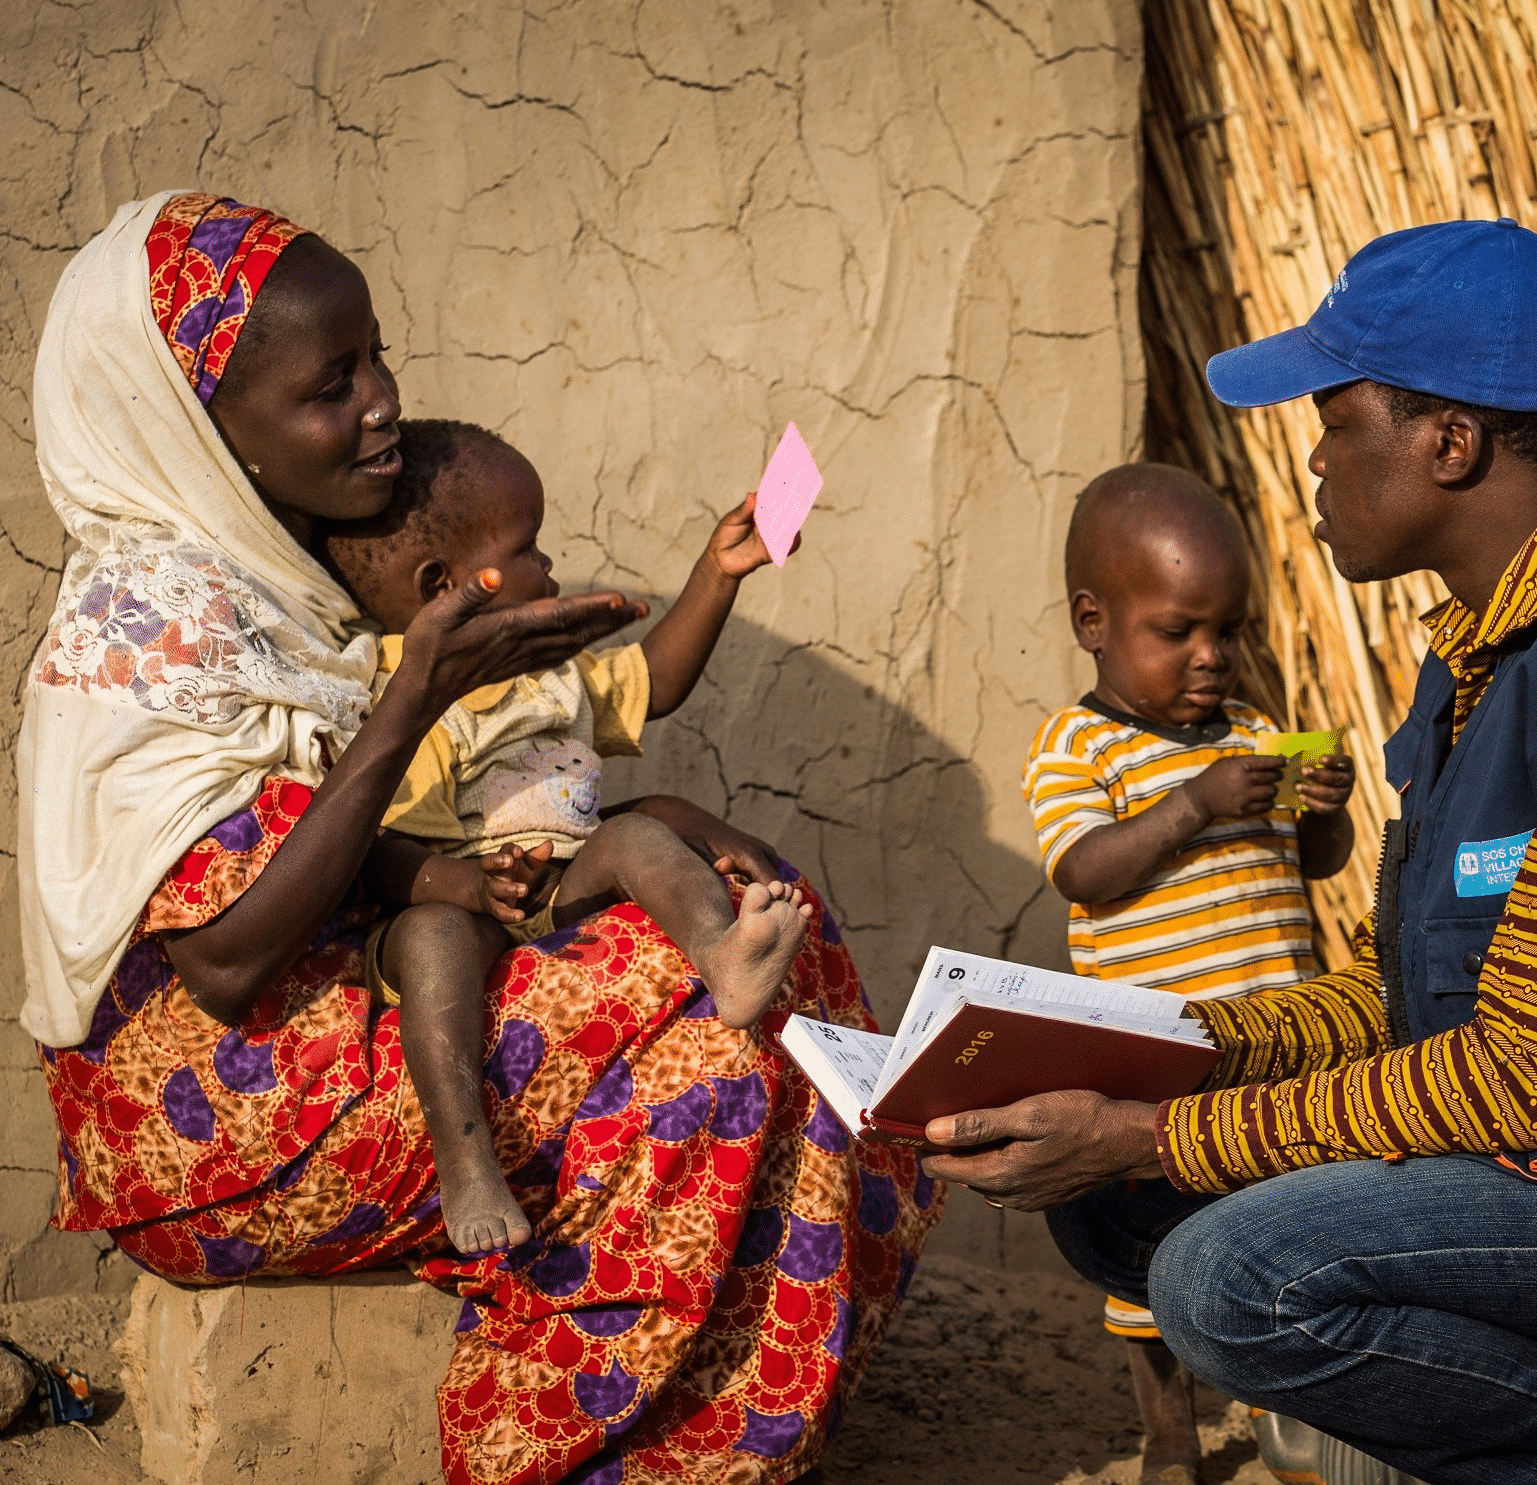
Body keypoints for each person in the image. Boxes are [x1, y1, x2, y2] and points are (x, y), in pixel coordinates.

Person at [21, 191, 941, 1485]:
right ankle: (579, 1446)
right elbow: (227, 966)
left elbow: (387, 838)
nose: (381, 401)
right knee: (699, 1036)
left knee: (751, 908)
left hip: (346, 1006)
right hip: (222, 1117)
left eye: (375, 357)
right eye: (330, 385)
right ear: (199, 427)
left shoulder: (281, 578)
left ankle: (750, 1397)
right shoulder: (154, 628)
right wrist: (418, 695)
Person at [922, 216, 1537, 1485]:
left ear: (1450, 442)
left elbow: (1514, 1077)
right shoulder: (1465, 668)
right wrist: (1171, 1051)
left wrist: (1156, 1133)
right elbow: (1394, 996)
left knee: (1230, 1274)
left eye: (1333, 419)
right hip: (1493, 1155)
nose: (1311, 460)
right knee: (1104, 1201)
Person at [318, 418, 813, 1256]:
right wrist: (470, 889)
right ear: (448, 584)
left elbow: (653, 679)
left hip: (560, 881)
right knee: (430, 940)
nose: (549, 566)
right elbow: (375, 850)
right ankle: (466, 1156)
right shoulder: (393, 691)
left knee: (641, 835)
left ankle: (724, 954)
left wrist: (716, 573)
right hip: (452, 900)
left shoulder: (548, 673)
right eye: (531, 547)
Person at [1023, 463, 1355, 1484]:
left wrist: (1324, 809)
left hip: (1279, 1056)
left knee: (1272, 1236)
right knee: (1150, 1251)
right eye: (1178, 632)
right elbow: (1084, 870)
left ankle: (1276, 1420)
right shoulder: (1078, 746)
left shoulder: (1254, 733)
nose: (1210, 658)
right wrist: (1196, 805)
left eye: (1226, 631)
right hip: (1160, 1068)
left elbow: (1313, 865)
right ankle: (1167, 1431)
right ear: (1094, 619)